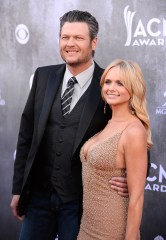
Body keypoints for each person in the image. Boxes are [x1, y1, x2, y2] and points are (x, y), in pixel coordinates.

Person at [10, 10, 128, 240]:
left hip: (82, 204)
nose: (70, 44)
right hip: (38, 200)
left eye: (78, 38)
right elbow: (26, 136)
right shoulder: (43, 76)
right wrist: (18, 189)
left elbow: (133, 132)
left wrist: (134, 178)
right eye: (65, 37)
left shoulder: (110, 83)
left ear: (94, 42)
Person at [77, 59, 153, 240]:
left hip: (111, 230)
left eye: (120, 83)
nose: (111, 88)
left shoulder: (134, 131)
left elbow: (136, 199)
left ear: (133, 88)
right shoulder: (107, 123)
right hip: (87, 227)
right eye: (108, 82)